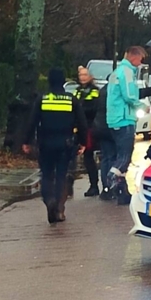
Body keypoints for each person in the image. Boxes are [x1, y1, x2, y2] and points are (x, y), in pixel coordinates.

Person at [23, 68, 88, 224]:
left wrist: (26, 141)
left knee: (46, 174)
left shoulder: (42, 99)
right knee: (61, 175)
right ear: (63, 82)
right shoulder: (71, 99)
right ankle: (59, 207)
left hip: (45, 143)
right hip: (66, 144)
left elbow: (31, 121)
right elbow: (82, 123)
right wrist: (83, 142)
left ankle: (49, 200)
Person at [105, 46, 151, 206]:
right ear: (133, 56)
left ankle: (122, 193)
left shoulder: (117, 72)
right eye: (140, 59)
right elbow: (130, 96)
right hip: (124, 119)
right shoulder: (127, 72)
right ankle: (111, 178)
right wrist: (144, 107)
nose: (140, 63)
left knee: (121, 154)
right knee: (125, 156)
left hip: (115, 119)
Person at [73, 66, 102, 197]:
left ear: (90, 76)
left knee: (88, 156)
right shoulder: (77, 91)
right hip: (77, 127)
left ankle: (94, 185)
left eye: (85, 75)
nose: (83, 77)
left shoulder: (95, 91)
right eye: (81, 75)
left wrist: (80, 109)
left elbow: (92, 108)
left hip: (89, 127)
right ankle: (68, 186)